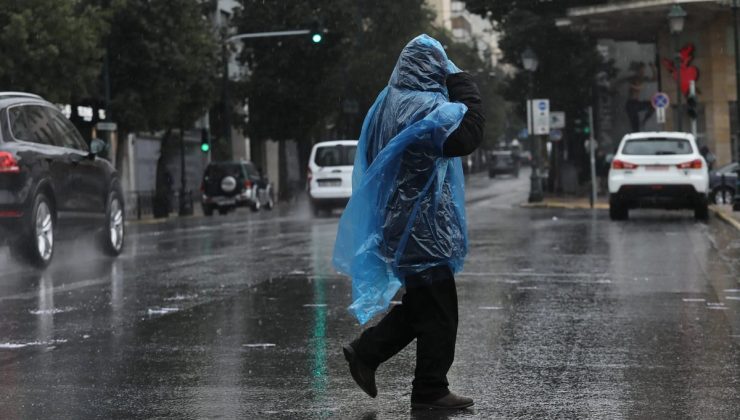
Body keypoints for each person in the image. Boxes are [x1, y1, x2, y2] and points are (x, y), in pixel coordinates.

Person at [333, 35, 484, 410]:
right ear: (434, 68)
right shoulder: (424, 106)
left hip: (398, 223)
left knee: (425, 305)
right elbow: (467, 137)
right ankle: (429, 389)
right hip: (422, 227)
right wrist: (464, 85)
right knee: (440, 310)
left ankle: (368, 353)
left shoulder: (386, 104)